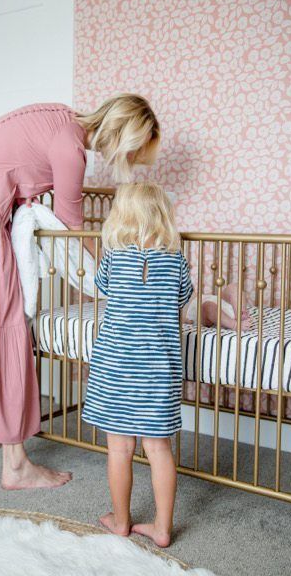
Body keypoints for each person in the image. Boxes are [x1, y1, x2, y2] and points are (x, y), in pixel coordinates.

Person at [0, 94, 161, 489]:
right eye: (133, 152)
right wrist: (115, 270)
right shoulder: (71, 148)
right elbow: (72, 226)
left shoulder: (60, 119)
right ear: (123, 136)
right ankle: (16, 465)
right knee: (7, 318)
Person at [81, 183, 193, 547]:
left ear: (121, 216)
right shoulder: (176, 259)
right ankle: (162, 528)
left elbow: (103, 288)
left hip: (116, 365)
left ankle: (121, 521)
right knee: (159, 449)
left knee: (120, 449)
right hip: (158, 367)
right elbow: (183, 301)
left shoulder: (114, 255)